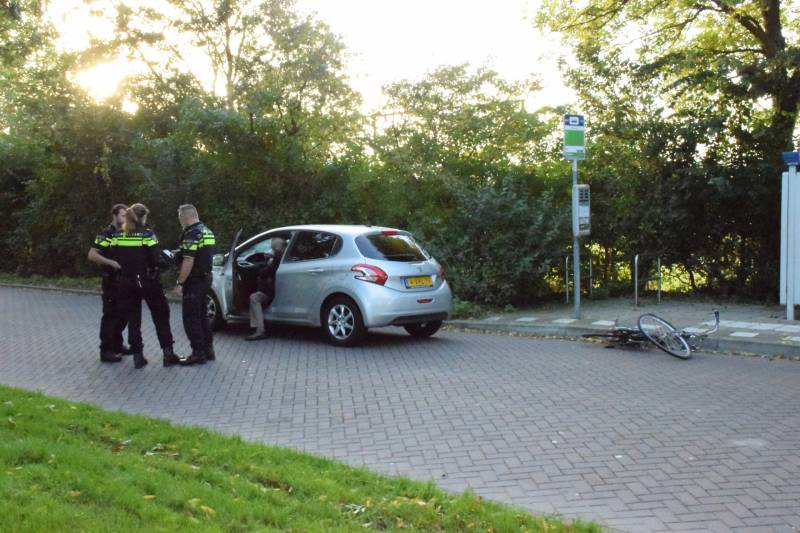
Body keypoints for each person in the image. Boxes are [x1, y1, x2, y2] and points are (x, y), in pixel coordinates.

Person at [112, 203, 181, 369]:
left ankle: (138, 356)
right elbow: (156, 260)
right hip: (147, 280)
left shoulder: (118, 235)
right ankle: (168, 353)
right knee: (161, 315)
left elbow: (114, 255)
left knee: (133, 320)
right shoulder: (147, 235)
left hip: (126, 281)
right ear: (143, 217)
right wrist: (166, 262)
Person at [88, 203, 132, 363]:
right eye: (122, 215)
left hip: (125, 282)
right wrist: (111, 263)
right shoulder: (106, 234)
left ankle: (117, 345)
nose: (125, 218)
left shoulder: (126, 233)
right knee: (111, 316)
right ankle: (106, 351)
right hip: (111, 282)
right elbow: (92, 255)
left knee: (123, 315)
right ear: (114, 216)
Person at [174, 204, 216, 365]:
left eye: (179, 217)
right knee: (202, 315)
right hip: (206, 278)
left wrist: (180, 282)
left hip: (194, 280)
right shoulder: (207, 231)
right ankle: (208, 350)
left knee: (191, 318)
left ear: (185, 216)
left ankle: (198, 353)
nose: (179, 220)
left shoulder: (192, 233)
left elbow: (189, 260)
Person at [245, 237, 286, 341]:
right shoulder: (281, 259)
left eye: (273, 248)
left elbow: (264, 272)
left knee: (254, 298)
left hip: (269, 292)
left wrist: (266, 261)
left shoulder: (276, 261)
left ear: (276, 249)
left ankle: (259, 330)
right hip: (272, 290)